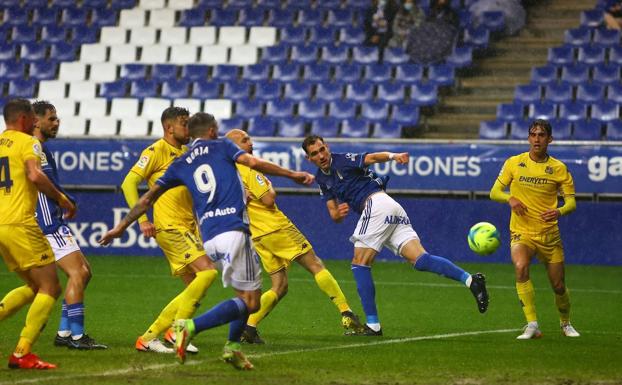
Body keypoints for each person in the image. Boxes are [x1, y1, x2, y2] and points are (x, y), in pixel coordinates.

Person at [99, 112, 314, 370]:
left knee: (237, 293)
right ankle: (188, 327)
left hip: (209, 235)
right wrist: (293, 175)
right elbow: (253, 163)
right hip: (233, 230)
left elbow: (147, 199)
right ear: (212, 131)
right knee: (250, 301)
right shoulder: (222, 146)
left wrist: (121, 227)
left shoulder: (182, 161)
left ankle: (231, 348)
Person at [302, 135, 488, 336]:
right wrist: (338, 214)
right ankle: (471, 280)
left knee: (359, 263)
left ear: (327, 147)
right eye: (315, 153)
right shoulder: (321, 180)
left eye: (322, 149)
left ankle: (373, 325)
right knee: (420, 260)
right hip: (390, 208)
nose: (321, 155)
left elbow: (371, 158)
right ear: (308, 158)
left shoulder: (342, 159)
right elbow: (333, 213)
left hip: (376, 205)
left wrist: (394, 155)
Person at [224, 129, 365, 344]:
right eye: (245, 140)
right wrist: (269, 186)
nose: (250, 142)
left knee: (279, 286)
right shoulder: (249, 169)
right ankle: (347, 314)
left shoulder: (228, 173)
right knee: (316, 265)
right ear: (235, 147)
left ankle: (249, 328)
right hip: (275, 227)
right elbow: (268, 199)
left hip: (257, 234)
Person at [120, 106, 218, 354]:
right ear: (169, 127)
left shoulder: (185, 153)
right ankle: (175, 332)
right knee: (207, 273)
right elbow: (128, 183)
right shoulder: (156, 150)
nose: (189, 127)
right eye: (185, 123)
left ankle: (152, 337)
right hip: (171, 227)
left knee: (194, 287)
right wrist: (142, 220)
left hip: (189, 227)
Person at [0, 98, 76, 369]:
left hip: (1, 226)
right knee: (50, 287)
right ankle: (22, 353)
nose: (35, 122)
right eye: (33, 117)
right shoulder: (27, 142)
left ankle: (22, 352)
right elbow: (34, 175)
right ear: (23, 119)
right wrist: (61, 198)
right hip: (21, 223)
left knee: (34, 286)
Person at [489, 119, 579, 339]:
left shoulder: (558, 168)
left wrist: (559, 211)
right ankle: (532, 324)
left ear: (550, 139)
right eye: (533, 134)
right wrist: (510, 199)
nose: (536, 139)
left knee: (558, 286)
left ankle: (565, 323)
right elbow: (494, 192)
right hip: (522, 232)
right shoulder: (514, 162)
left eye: (541, 135)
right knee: (520, 267)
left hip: (549, 236)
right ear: (528, 138)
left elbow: (571, 203)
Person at [32, 101, 107, 350]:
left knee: (85, 271)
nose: (56, 122)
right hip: (48, 223)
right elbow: (40, 182)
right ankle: (76, 336)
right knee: (78, 273)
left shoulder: (42, 149)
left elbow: (49, 182)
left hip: (53, 219)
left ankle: (65, 331)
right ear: (36, 121)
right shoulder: (34, 149)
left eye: (57, 118)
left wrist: (65, 199)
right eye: (51, 119)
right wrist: (64, 200)